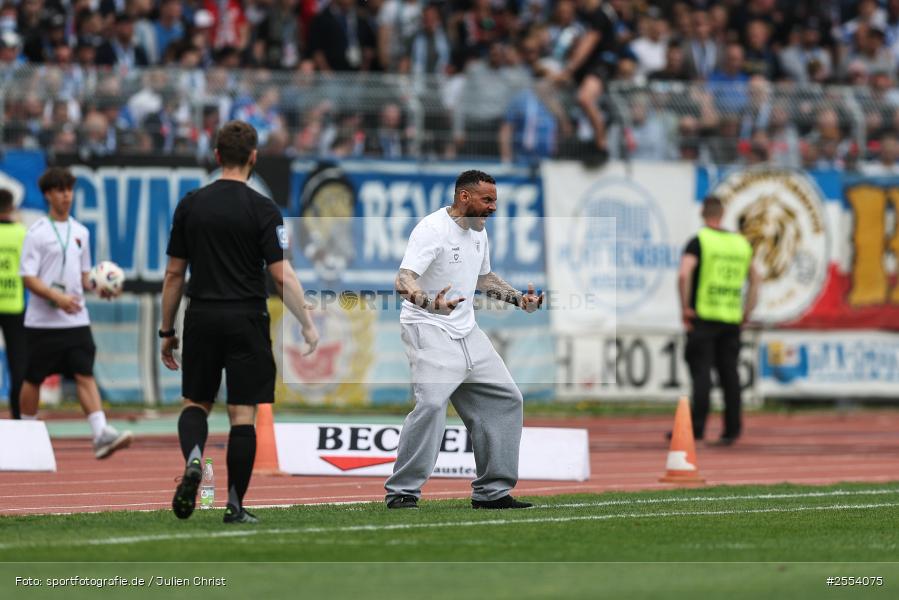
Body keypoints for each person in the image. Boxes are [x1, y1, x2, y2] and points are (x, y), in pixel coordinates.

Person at [161, 120, 319, 524]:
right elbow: (281, 275)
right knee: (243, 413)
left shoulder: (191, 204)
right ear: (253, 157)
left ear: (217, 156)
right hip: (247, 317)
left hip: (202, 315)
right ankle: (234, 504)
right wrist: (306, 322)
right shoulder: (264, 209)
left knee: (196, 402)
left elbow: (174, 274)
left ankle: (194, 459)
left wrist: (167, 331)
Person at [385, 169, 543, 510]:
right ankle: (402, 490)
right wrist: (430, 302)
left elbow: (484, 279)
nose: (493, 207)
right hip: (427, 325)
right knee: (431, 404)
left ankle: (492, 492)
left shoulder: (478, 231)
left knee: (506, 399)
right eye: (487, 200)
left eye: (495, 201)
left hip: (466, 330)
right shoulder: (432, 229)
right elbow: (403, 279)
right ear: (464, 197)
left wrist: (520, 300)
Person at [18, 167, 133, 459]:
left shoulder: (81, 232)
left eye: (69, 190)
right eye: (60, 190)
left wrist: (99, 287)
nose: (66, 196)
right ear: (48, 195)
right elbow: (28, 277)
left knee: (84, 373)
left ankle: (101, 433)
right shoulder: (36, 233)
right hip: (42, 323)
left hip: (75, 320)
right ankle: (26, 434)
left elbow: (84, 277)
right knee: (33, 378)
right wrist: (56, 296)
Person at [678, 196, 759, 446]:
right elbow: (756, 278)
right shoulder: (740, 244)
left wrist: (685, 308)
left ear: (703, 213)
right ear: (723, 214)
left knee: (701, 373)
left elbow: (684, 275)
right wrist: (747, 310)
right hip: (731, 319)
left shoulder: (700, 241)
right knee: (730, 375)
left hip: (704, 316)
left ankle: (697, 428)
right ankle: (732, 429)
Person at [0, 189, 26, 419]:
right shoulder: (21, 233)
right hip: (14, 305)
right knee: (18, 364)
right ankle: (18, 418)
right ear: (11, 207)